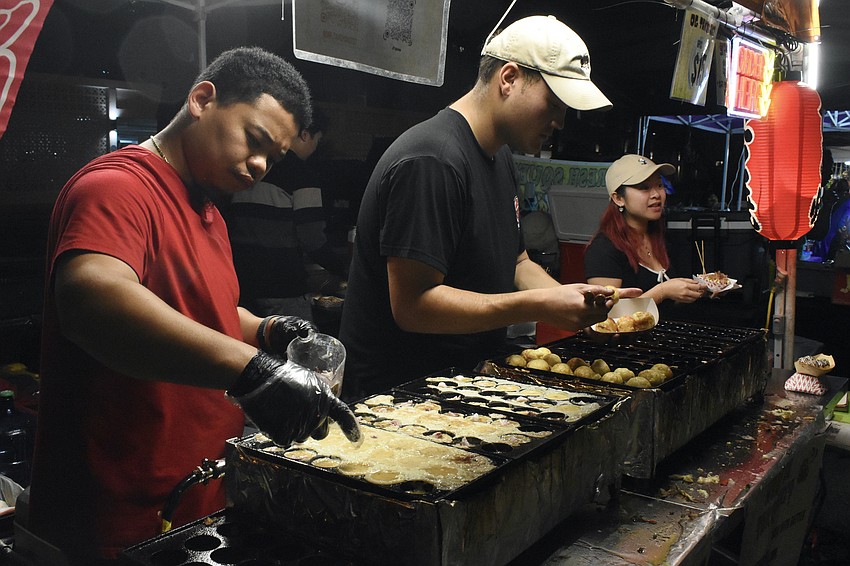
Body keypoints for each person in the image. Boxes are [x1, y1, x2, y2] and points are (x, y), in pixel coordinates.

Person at [26, 47, 358, 565]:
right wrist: (255, 374)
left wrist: (267, 330)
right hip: (118, 512)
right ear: (204, 99)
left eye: (274, 158)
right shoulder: (116, 187)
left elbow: (207, 311)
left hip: (196, 495)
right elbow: (92, 297)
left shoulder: (207, 210)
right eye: (255, 141)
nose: (260, 166)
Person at [338, 15, 640, 400]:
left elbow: (517, 263)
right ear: (509, 78)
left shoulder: (501, 159)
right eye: (555, 103)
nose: (560, 122)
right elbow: (413, 306)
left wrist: (579, 301)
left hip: (457, 385)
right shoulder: (432, 159)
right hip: (394, 398)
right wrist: (538, 305)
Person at [226, 109, 348, 320]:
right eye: (317, 140)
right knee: (294, 349)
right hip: (281, 287)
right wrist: (342, 268)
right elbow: (312, 238)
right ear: (305, 135)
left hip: (241, 283)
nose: (315, 147)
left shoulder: (254, 165)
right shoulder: (302, 175)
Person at [584, 154, 706, 307]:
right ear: (618, 198)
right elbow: (608, 315)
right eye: (644, 187)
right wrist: (662, 292)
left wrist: (701, 289)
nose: (656, 195)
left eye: (659, 185)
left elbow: (672, 302)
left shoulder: (662, 237)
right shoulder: (603, 249)